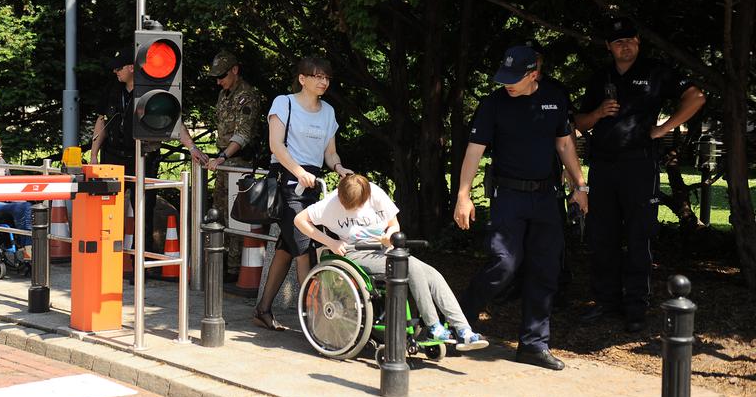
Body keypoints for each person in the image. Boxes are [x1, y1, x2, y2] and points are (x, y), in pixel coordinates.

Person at [454, 45, 589, 371]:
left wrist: (580, 185)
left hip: (546, 198)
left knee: (545, 270)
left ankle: (533, 344)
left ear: (533, 74)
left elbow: (564, 143)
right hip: (509, 196)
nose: (508, 84)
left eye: (515, 79)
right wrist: (463, 194)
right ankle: (457, 320)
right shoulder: (493, 105)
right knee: (504, 262)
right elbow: (474, 150)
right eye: (505, 77)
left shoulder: (555, 98)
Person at [574, 18, 705, 332]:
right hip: (603, 167)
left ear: (638, 42)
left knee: (638, 237)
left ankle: (636, 308)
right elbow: (579, 123)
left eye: (630, 39)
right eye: (618, 41)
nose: (625, 45)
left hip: (639, 165)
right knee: (602, 235)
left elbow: (696, 97)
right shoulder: (600, 78)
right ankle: (605, 301)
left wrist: (663, 128)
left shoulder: (656, 72)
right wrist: (598, 113)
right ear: (609, 46)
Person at [295, 174, 489, 350]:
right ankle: (432, 326)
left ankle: (463, 330)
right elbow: (299, 220)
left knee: (433, 274)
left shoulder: (375, 194)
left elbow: (393, 224)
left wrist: (389, 235)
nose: (355, 210)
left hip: (385, 249)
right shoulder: (330, 204)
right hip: (355, 253)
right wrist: (331, 242)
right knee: (410, 266)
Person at [252, 56, 354, 331]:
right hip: (288, 182)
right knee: (304, 248)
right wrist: (298, 171)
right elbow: (276, 145)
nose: (323, 81)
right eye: (317, 76)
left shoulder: (328, 111)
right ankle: (316, 320)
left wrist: (339, 167)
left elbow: (330, 152)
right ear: (302, 79)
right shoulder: (283, 103)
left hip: (312, 186)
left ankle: (263, 310)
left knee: (287, 248)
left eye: (326, 77)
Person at [89, 47, 207, 250]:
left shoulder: (151, 91)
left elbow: (173, 121)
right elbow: (101, 121)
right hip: (113, 156)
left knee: (144, 209)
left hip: (143, 157)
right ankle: (107, 256)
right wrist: (93, 156)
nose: (115, 72)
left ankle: (142, 258)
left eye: (118, 68)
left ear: (131, 67)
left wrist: (192, 148)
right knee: (108, 208)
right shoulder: (112, 89)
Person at [205, 50, 265, 282]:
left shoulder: (247, 96)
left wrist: (223, 156)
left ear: (235, 70)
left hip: (239, 162)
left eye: (222, 76)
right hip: (224, 161)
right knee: (219, 210)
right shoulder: (224, 95)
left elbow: (243, 133)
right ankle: (221, 262)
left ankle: (235, 267)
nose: (219, 81)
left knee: (236, 213)